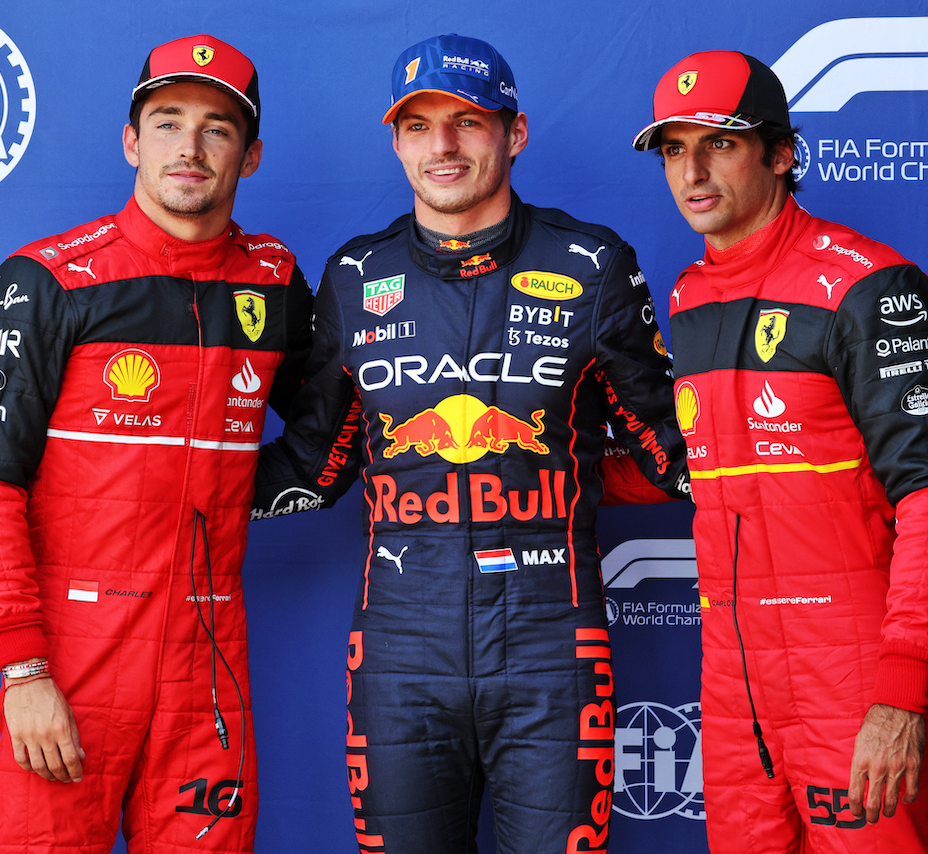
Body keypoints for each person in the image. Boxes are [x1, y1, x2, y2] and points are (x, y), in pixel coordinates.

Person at [251, 33, 688, 854]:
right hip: (397, 651)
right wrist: (163, 484)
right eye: (418, 126)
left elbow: (676, 451)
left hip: (554, 648)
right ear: (395, 141)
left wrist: (805, 472)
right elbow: (317, 463)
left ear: (514, 134)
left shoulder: (591, 264)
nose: (442, 147)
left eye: (467, 121)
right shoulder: (353, 276)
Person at [0, 34, 313, 854]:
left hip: (210, 655)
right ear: (131, 141)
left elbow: (337, 427)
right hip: (73, 658)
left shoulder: (275, 281)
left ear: (249, 156)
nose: (190, 146)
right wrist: (23, 669)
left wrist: (227, 490)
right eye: (168, 120)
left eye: (218, 128)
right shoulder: (42, 281)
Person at [627, 50, 928, 853]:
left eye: (719, 142)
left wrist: (900, 692)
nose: (692, 171)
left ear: (781, 154)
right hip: (734, 682)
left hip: (853, 677)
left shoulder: (869, 287)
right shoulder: (688, 297)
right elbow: (705, 469)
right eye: (675, 149)